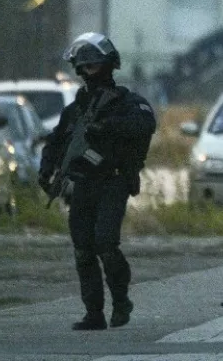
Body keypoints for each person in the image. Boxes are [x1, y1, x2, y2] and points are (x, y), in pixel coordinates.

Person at [38, 32, 156, 330]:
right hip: (83, 184)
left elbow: (144, 125)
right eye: (84, 66)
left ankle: (120, 301)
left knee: (105, 242)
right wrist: (46, 169)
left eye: (93, 65)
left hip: (113, 182)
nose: (89, 71)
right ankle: (94, 313)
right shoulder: (76, 109)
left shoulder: (127, 102)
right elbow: (55, 142)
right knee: (82, 248)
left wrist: (109, 127)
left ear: (107, 66)